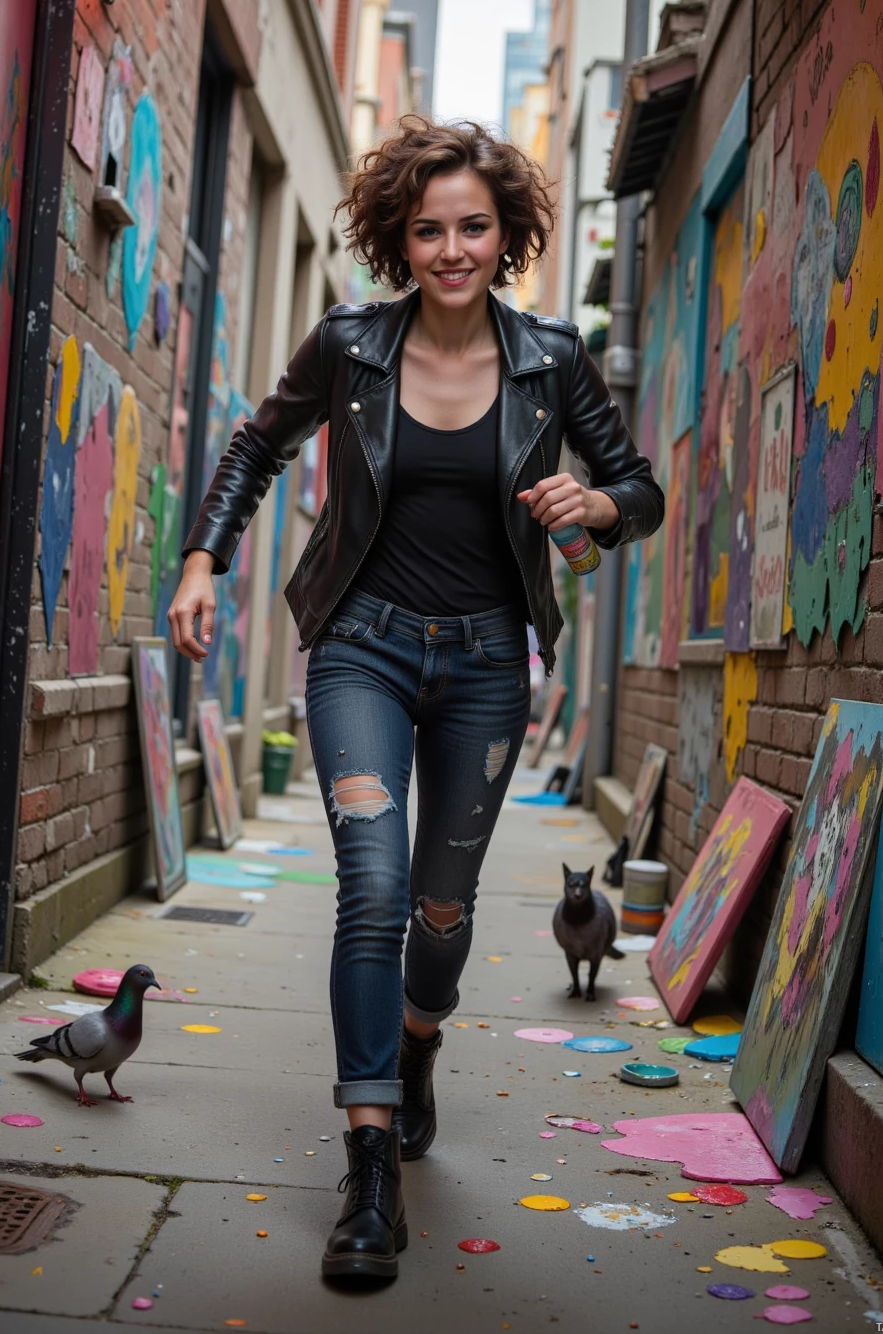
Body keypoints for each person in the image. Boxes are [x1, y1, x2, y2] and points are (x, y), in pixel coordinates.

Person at [169, 117, 664, 1282]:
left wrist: (594, 509)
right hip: (363, 650)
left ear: (508, 235)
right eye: (428, 228)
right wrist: (203, 557)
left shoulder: (551, 358)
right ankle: (371, 1161)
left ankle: (419, 1041)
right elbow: (255, 447)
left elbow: (635, 485)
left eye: (473, 227)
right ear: (398, 237)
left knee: (442, 908)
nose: (452, 249)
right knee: (375, 886)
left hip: (491, 663)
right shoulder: (351, 345)